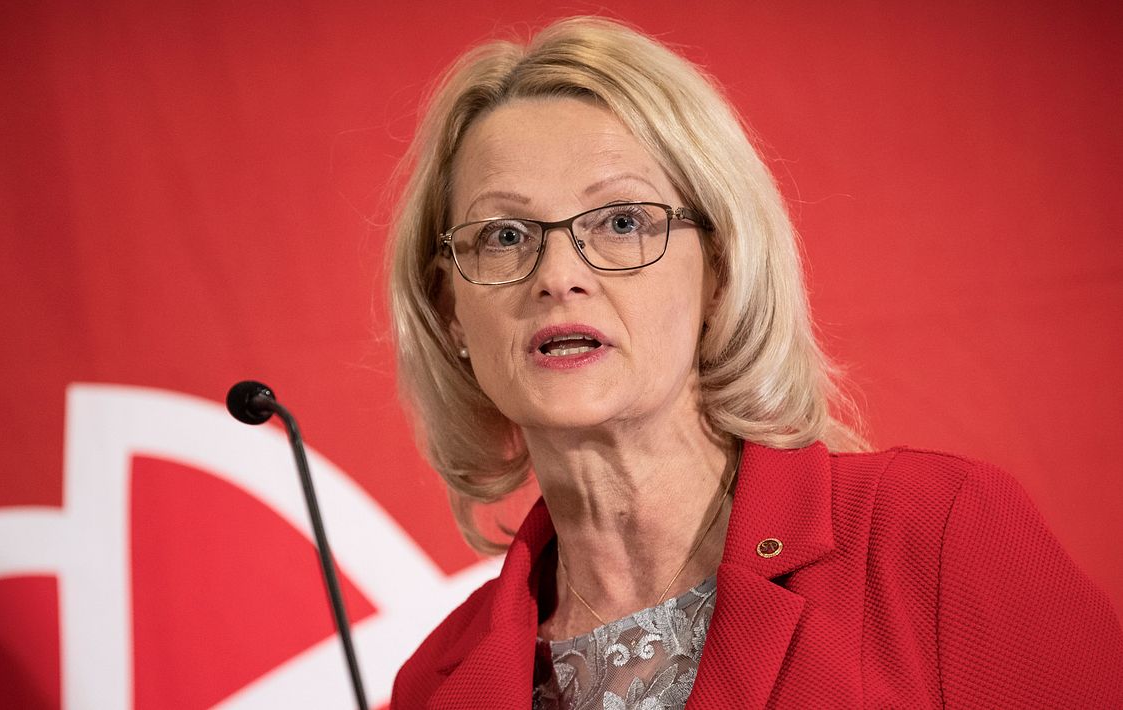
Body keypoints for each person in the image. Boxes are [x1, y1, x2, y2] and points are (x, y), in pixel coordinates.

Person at [385, 16, 1123, 709]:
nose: (558, 276)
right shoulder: (434, 684)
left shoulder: (931, 537)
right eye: (504, 236)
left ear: (720, 271)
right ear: (450, 310)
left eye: (621, 221)